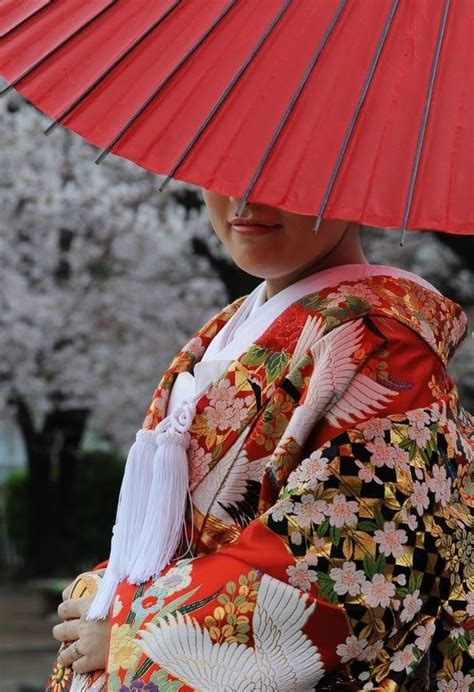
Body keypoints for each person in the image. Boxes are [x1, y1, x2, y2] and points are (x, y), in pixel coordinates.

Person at [49, 191, 473, 691]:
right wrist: (107, 590)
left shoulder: (384, 346)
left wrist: (135, 632)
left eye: (286, 176)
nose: (244, 199)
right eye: (223, 169)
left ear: (354, 180)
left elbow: (340, 562)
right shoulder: (229, 329)